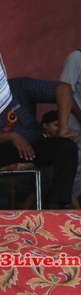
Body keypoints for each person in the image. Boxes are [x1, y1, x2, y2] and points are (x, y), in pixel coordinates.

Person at [0, 78, 78, 209]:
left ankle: (58, 204)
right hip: (0, 147)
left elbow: (63, 89)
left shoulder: (18, 86)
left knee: (67, 146)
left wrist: (63, 126)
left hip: (33, 143)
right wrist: (12, 136)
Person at [61, 48, 81, 199]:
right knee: (77, 168)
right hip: (76, 124)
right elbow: (64, 92)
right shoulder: (76, 58)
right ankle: (67, 206)